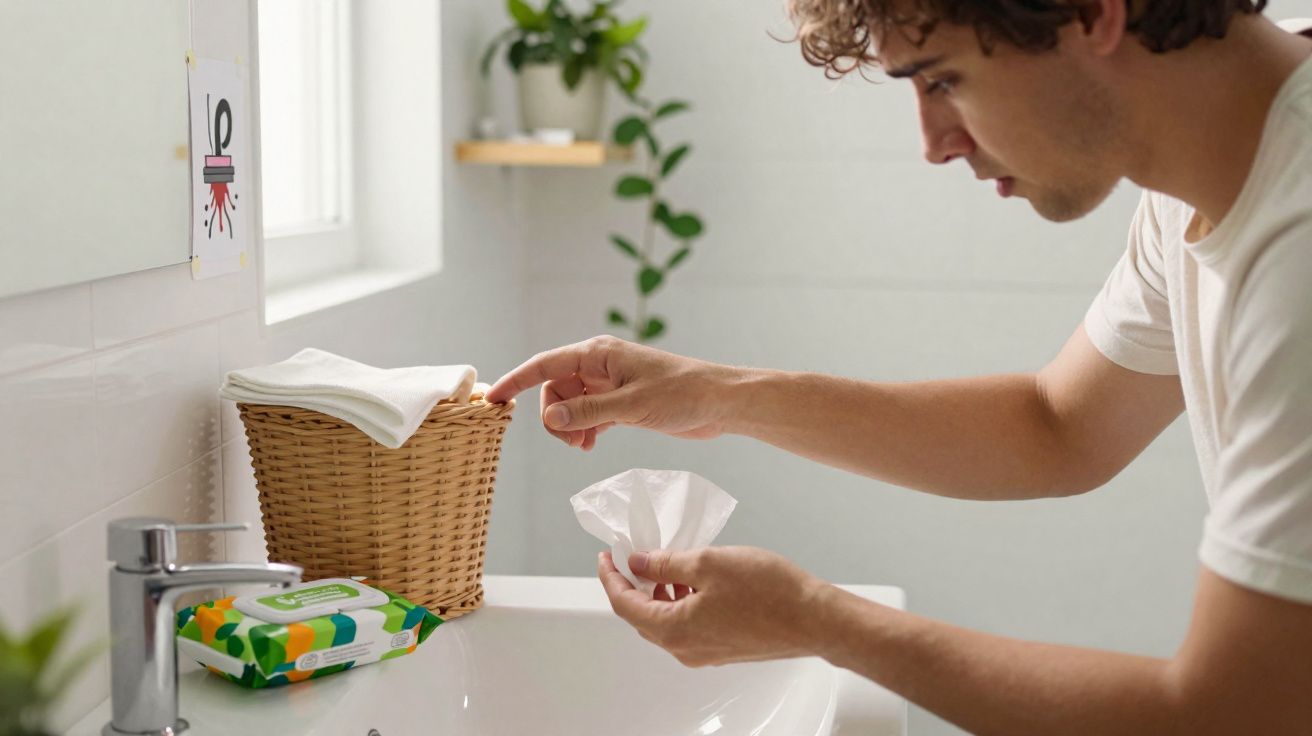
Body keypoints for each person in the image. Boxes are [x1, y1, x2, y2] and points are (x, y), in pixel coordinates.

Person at [486, 0, 1312, 731]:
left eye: (941, 79)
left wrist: (821, 623)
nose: (933, 143)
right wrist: (719, 396)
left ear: (1093, 11)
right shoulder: (1204, 179)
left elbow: (1235, 714)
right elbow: (1056, 426)